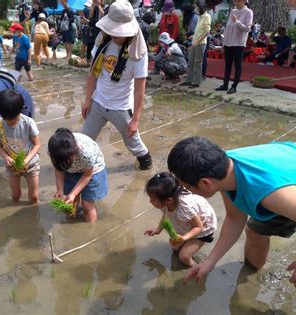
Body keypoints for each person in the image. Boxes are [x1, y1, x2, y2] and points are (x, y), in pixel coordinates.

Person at [168, 136, 296, 315]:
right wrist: (210, 262)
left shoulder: (273, 194)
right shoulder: (225, 169)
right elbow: (234, 218)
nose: (187, 192)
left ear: (205, 183)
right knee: (255, 230)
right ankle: (251, 272)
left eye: (187, 187)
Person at [81, 0, 153, 171]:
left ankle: (146, 163)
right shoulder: (103, 41)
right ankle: (82, 169)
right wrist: (87, 101)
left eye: (117, 31)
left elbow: (139, 89)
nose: (113, 34)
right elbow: (93, 74)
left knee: (134, 144)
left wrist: (135, 119)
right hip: (98, 102)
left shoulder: (138, 52)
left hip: (120, 107)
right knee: (84, 141)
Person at [144, 172, 217, 266]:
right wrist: (158, 229)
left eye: (153, 199)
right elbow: (166, 215)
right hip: (189, 223)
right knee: (175, 248)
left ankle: (193, 268)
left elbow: (199, 227)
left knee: (184, 256)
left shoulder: (185, 208)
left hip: (204, 226)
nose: (150, 201)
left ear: (169, 200)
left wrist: (184, 238)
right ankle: (185, 247)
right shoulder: (167, 202)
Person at [0, 90, 41, 203]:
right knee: (16, 195)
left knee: (34, 197)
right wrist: (6, 158)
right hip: (11, 166)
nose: (9, 121)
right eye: (6, 118)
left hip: (31, 164)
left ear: (20, 110)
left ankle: (33, 214)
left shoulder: (28, 122)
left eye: (13, 118)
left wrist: (26, 161)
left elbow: (37, 144)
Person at [48, 128, 107, 223]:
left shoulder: (85, 153)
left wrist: (73, 193)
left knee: (87, 206)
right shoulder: (54, 150)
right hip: (71, 171)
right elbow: (59, 169)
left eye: (68, 161)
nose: (65, 163)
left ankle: (91, 230)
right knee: (70, 203)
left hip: (93, 170)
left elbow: (87, 176)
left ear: (75, 153)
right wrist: (60, 190)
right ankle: (72, 222)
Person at [215, 0, 253, 95]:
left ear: (244, 1)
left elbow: (247, 28)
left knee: (237, 65)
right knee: (227, 65)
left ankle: (234, 86)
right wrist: (224, 43)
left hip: (238, 43)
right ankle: (225, 84)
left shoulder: (248, 12)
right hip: (228, 42)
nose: (236, 2)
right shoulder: (233, 11)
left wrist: (237, 22)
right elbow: (227, 28)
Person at [182, 0, 210, 88]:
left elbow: (207, 32)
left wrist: (197, 41)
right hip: (195, 42)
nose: (195, 9)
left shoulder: (206, 16)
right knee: (190, 61)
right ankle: (188, 80)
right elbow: (199, 30)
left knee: (197, 63)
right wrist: (193, 37)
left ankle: (196, 82)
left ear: (200, 7)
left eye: (197, 7)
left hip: (200, 43)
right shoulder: (200, 17)